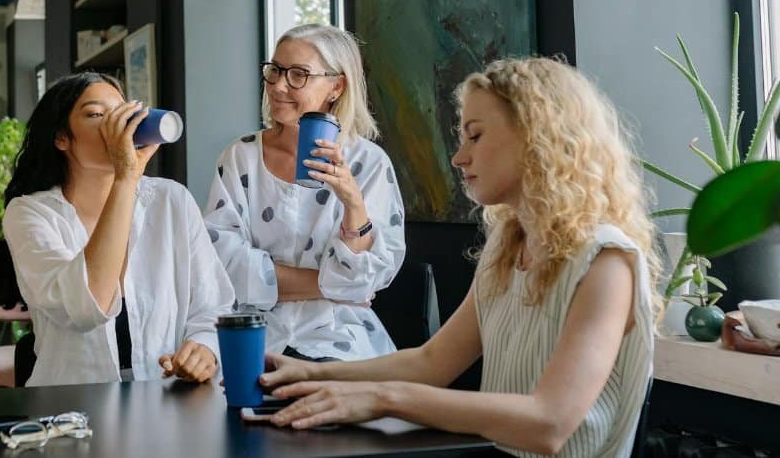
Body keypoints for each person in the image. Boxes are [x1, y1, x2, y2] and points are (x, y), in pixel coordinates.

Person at [261, 57, 661, 458]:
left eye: (475, 136)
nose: (458, 158)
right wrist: (312, 373)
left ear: (537, 137)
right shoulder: (507, 247)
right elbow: (431, 362)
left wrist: (383, 397)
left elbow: (548, 423)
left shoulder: (606, 261)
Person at [2, 72, 235, 386]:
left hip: (164, 399)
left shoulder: (171, 201)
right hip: (71, 408)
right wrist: (126, 177)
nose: (118, 125)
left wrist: (206, 347)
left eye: (122, 112)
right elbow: (87, 305)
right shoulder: (30, 213)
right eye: (98, 115)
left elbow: (213, 305)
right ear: (62, 137)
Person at [204, 24, 406, 362]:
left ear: (336, 86)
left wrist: (353, 203)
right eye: (275, 71)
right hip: (253, 331)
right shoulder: (241, 156)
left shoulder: (368, 163)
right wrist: (334, 287)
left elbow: (369, 276)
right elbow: (222, 264)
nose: (279, 86)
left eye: (299, 74)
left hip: (338, 334)